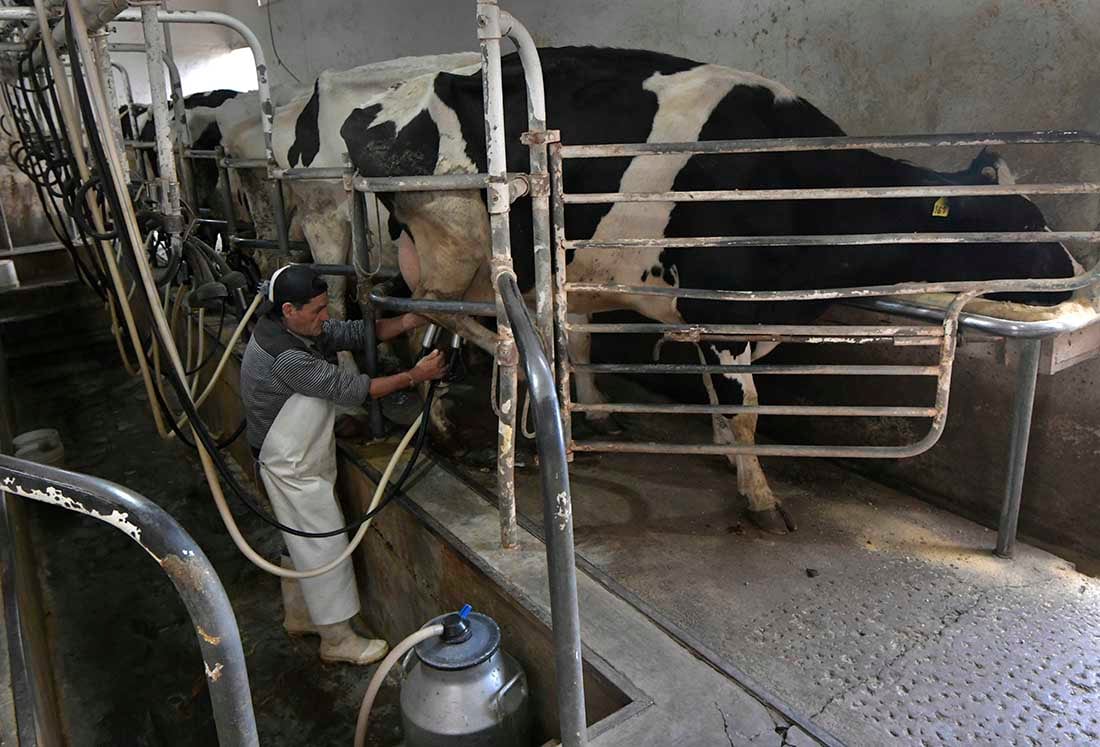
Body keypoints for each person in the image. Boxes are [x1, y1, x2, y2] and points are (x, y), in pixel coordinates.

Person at [239, 264, 446, 664]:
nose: (324, 316)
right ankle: (336, 640)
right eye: (316, 310)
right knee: (322, 543)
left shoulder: (293, 330)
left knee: (298, 539)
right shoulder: (286, 357)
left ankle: (300, 615)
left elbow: (354, 332)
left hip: (297, 455)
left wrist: (410, 319)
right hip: (287, 464)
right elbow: (354, 389)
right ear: (288, 309)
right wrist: (415, 375)